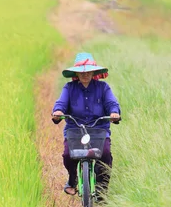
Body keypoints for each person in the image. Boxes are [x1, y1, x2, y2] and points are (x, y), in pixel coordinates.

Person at [52, 52, 121, 197]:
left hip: (98, 129)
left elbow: (111, 103)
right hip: (75, 129)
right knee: (67, 155)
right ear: (76, 73)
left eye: (88, 71)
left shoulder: (103, 87)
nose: (85, 75)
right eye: (82, 72)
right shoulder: (69, 88)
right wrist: (58, 111)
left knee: (105, 155)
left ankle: (101, 189)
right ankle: (72, 180)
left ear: (93, 72)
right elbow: (61, 103)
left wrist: (114, 113)